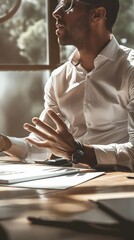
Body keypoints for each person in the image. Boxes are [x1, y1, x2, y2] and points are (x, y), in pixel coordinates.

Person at [0, 0, 134, 171]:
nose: (56, 13)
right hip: (76, 185)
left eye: (68, 5)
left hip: (121, 187)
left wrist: (78, 151)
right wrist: (4, 142)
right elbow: (40, 146)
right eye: (57, 5)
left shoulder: (130, 71)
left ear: (97, 14)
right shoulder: (58, 78)